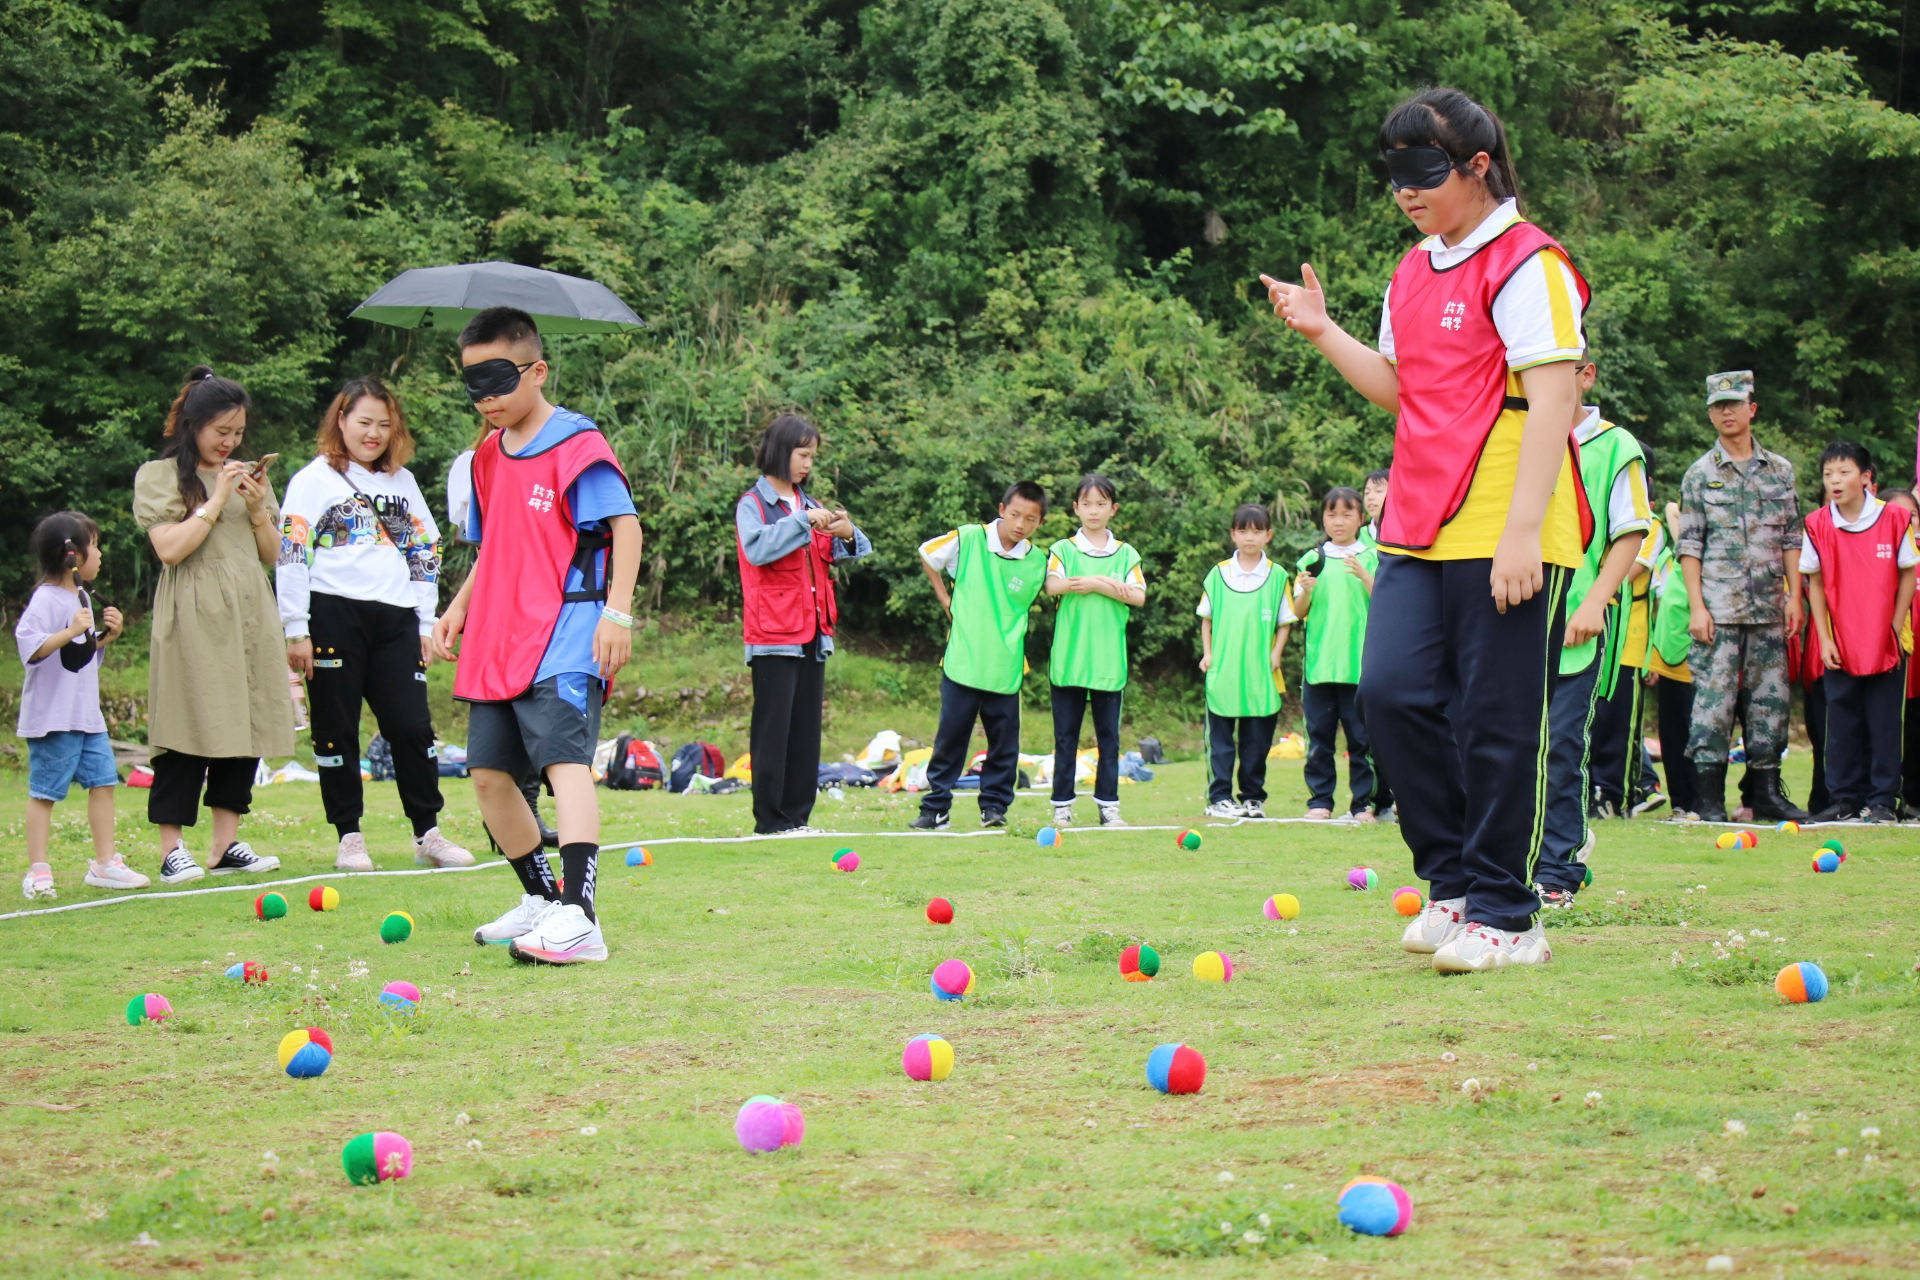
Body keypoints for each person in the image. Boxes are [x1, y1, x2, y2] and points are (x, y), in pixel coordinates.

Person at [1262, 87, 1591, 972]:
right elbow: (1404, 390)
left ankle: (1509, 913)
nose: (1406, 191)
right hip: (1415, 519)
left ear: (1478, 167)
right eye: (1395, 173)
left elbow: (1556, 398)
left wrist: (1524, 533)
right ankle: (1451, 882)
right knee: (1392, 696)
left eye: (1424, 171)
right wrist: (1323, 328)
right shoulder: (1413, 270)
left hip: (1505, 519)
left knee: (1497, 716)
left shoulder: (1529, 263)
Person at [432, 307, 640, 965]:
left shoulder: (579, 445)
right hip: (500, 633)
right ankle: (542, 899)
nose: (485, 397)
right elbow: (494, 547)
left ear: (537, 370)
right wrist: (457, 607)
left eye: (496, 379)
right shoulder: (486, 458)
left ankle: (580, 917)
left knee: (563, 761)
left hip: (569, 628)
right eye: (473, 382)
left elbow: (626, 529)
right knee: (490, 774)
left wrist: (618, 612)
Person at [279, 377, 473, 872]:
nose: (374, 434)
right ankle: (349, 836)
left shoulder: (401, 482)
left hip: (395, 619)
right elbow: (293, 554)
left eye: (384, 425)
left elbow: (426, 551)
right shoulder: (312, 480)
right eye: (364, 422)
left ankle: (428, 832)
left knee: (412, 727)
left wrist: (426, 622)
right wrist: (295, 628)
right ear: (340, 420)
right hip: (332, 613)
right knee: (335, 728)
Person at [133, 369, 293, 884]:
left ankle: (226, 843)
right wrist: (217, 499)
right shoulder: (159, 477)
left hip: (249, 610)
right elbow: (169, 549)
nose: (230, 442)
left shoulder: (248, 481)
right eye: (221, 431)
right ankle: (171, 849)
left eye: (238, 433)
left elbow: (272, 556)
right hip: (194, 613)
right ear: (193, 425)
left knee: (243, 723)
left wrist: (255, 509)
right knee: (185, 723)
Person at [1534, 356, 1649, 907]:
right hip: (1520, 619)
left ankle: (1559, 866)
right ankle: (1526, 856)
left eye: (1562, 368)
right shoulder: (1519, 437)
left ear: (1586, 374)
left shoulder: (1614, 446)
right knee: (1513, 747)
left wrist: (1595, 604)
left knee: (1562, 745)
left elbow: (1631, 533)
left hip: (1579, 619)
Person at [1676, 370, 1809, 824]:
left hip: (1770, 607)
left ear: (1752, 408)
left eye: (1734, 404)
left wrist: (1795, 595)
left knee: (1771, 704)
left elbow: (1792, 537)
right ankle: (1709, 800)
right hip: (1718, 609)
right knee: (1712, 707)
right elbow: (1689, 545)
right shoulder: (1699, 474)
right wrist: (1697, 606)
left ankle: (1766, 793)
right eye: (1718, 406)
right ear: (1710, 413)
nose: (1726, 412)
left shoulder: (1781, 471)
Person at [735, 412, 872, 835]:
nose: (808, 464)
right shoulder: (753, 505)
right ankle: (769, 821)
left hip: (814, 634)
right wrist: (800, 522)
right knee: (773, 732)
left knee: (806, 730)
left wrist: (847, 531)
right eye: (802, 454)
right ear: (780, 451)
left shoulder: (810, 503)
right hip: (773, 634)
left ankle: (798, 818)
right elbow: (757, 550)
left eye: (812, 456)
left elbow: (853, 551)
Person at [16, 512, 144, 897]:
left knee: (104, 783)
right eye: (96, 545)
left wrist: (105, 636)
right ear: (73, 555)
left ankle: (105, 863)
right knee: (44, 793)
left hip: (88, 718)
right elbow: (32, 647)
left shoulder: (83, 596)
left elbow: (79, 655)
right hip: (53, 719)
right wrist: (69, 629)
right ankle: (38, 870)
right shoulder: (45, 599)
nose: (101, 554)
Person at [910, 482, 1048, 830]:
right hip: (963, 661)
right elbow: (928, 553)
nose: (1020, 524)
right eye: (1015, 514)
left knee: (1004, 744)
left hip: (1005, 666)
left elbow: (1056, 587)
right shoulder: (969, 538)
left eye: (1030, 519)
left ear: (1039, 523)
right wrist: (944, 597)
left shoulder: (1037, 561)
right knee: (950, 739)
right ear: (1002, 509)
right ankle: (935, 808)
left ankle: (995, 808)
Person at [1799, 442, 1917, 823]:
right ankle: (1843, 799)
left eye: (1844, 472)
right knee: (1841, 721)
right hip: (1841, 639)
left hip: (1885, 639)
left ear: (1866, 478)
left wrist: (1895, 627)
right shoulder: (1816, 523)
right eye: (1829, 474)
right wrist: (1826, 638)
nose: (1835, 481)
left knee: (1884, 722)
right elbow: (1814, 584)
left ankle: (1883, 801)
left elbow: (1908, 574)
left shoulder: (1896, 518)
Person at [448, 445, 558, 849]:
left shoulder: (559, 451)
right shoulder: (479, 462)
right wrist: (460, 605)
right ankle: (509, 823)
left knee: (539, 722)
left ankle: (527, 811)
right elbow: (485, 545)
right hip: (499, 610)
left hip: (545, 607)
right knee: (495, 738)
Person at [1046, 475, 1146, 828]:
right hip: (1070, 660)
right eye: (1086, 504)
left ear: (1112, 509)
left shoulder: (1126, 553)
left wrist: (1097, 584)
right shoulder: (1063, 549)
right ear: (1075, 508)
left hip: (1107, 661)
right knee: (1066, 737)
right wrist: (1100, 583)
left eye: (1100, 503)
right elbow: (1052, 585)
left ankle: (1108, 806)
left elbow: (1138, 595)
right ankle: (1062, 805)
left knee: (1109, 739)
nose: (1093, 510)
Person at [1197, 502, 1293, 820]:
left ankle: (1253, 798)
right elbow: (1206, 619)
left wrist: (1276, 654)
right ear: (1233, 535)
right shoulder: (1218, 574)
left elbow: (1285, 622)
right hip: (1223, 672)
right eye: (1242, 531)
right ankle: (1219, 798)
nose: (1249, 537)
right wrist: (1208, 654)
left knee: (1256, 743)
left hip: (1260, 674)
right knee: (1222, 743)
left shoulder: (1277, 576)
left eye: (1256, 531)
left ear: (1268, 535)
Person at [1291, 487, 1378, 822]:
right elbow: (1298, 611)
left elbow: (1384, 602)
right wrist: (1305, 592)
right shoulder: (1312, 559)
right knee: (1319, 740)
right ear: (1323, 518)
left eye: (1346, 514)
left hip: (1359, 667)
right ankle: (1320, 801)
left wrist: (1365, 576)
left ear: (1359, 518)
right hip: (1320, 666)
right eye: (1331, 514)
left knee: (1362, 741)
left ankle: (1362, 805)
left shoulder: (1372, 556)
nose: (1338, 521)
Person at [1645, 504, 1700, 817]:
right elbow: (1671, 509)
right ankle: (1680, 803)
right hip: (1667, 653)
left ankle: (1699, 801)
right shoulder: (1675, 555)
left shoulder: (1705, 558)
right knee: (1671, 735)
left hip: (1694, 657)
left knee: (1695, 735)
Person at [1880, 486, 1920, 820]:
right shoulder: (1879, 554)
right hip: (1891, 655)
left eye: (1912, 516)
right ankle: (1888, 798)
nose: (1906, 522)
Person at [1360, 469, 1390, 547]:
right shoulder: (1356, 536)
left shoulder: (1407, 534)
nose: (1370, 497)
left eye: (1378, 491)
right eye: (1367, 492)